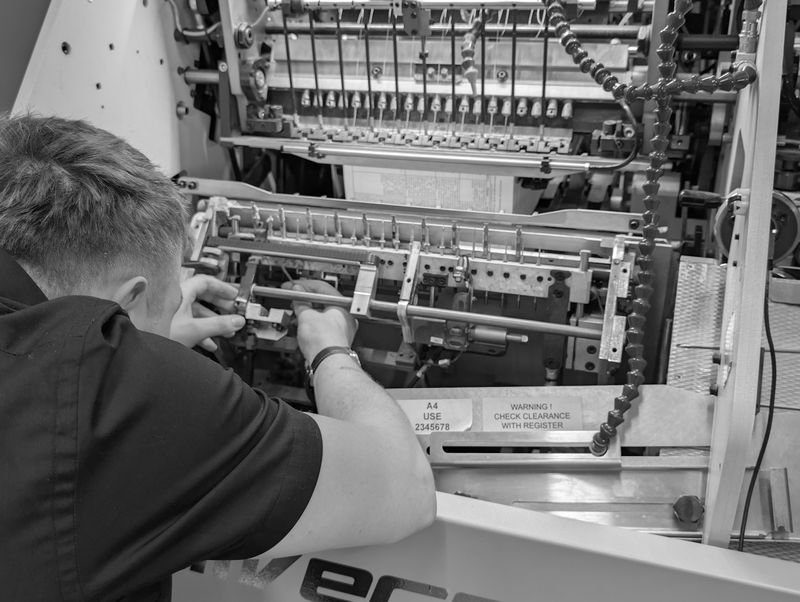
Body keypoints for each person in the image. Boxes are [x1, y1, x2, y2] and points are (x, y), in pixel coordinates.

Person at [0, 114, 436, 601]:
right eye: (166, 307)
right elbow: (406, 486)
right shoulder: (124, 392)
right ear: (126, 302)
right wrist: (330, 349)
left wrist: (151, 325)